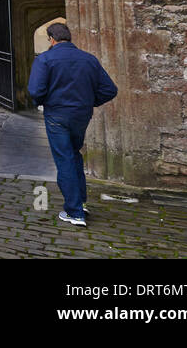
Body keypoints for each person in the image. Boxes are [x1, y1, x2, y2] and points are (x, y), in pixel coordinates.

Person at [26, 20, 118, 227]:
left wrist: (44, 102)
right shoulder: (88, 59)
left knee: (64, 159)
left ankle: (75, 212)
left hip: (57, 115)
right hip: (81, 115)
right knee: (74, 154)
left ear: (51, 39)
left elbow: (35, 91)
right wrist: (88, 102)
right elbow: (110, 89)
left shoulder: (46, 59)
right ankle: (80, 202)